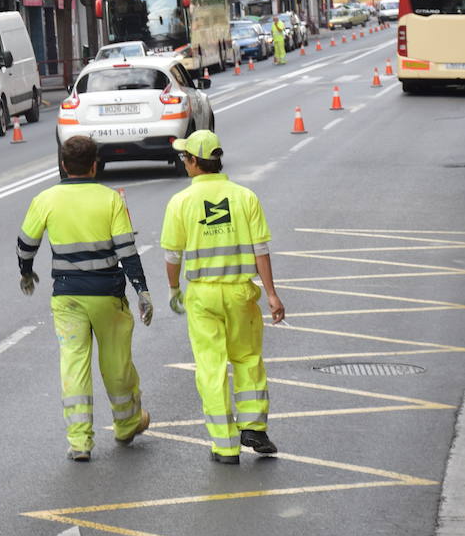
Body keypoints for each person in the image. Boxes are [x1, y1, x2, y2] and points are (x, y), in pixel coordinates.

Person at [16, 135, 153, 462]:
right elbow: (127, 251)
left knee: (73, 363)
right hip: (107, 297)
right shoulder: (110, 200)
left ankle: (79, 442)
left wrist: (26, 272)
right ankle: (127, 425)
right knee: (116, 362)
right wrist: (142, 290)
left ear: (63, 165)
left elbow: (25, 244)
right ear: (95, 165)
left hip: (68, 298)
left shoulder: (45, 199)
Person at [161, 130, 285, 464]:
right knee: (247, 358)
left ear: (193, 162)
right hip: (240, 292)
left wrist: (174, 290)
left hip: (202, 296)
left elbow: (172, 257)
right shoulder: (245, 197)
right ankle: (254, 428)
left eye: (184, 157)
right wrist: (272, 294)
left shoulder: (180, 203)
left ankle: (225, 446)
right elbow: (261, 251)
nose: (182, 162)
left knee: (211, 366)